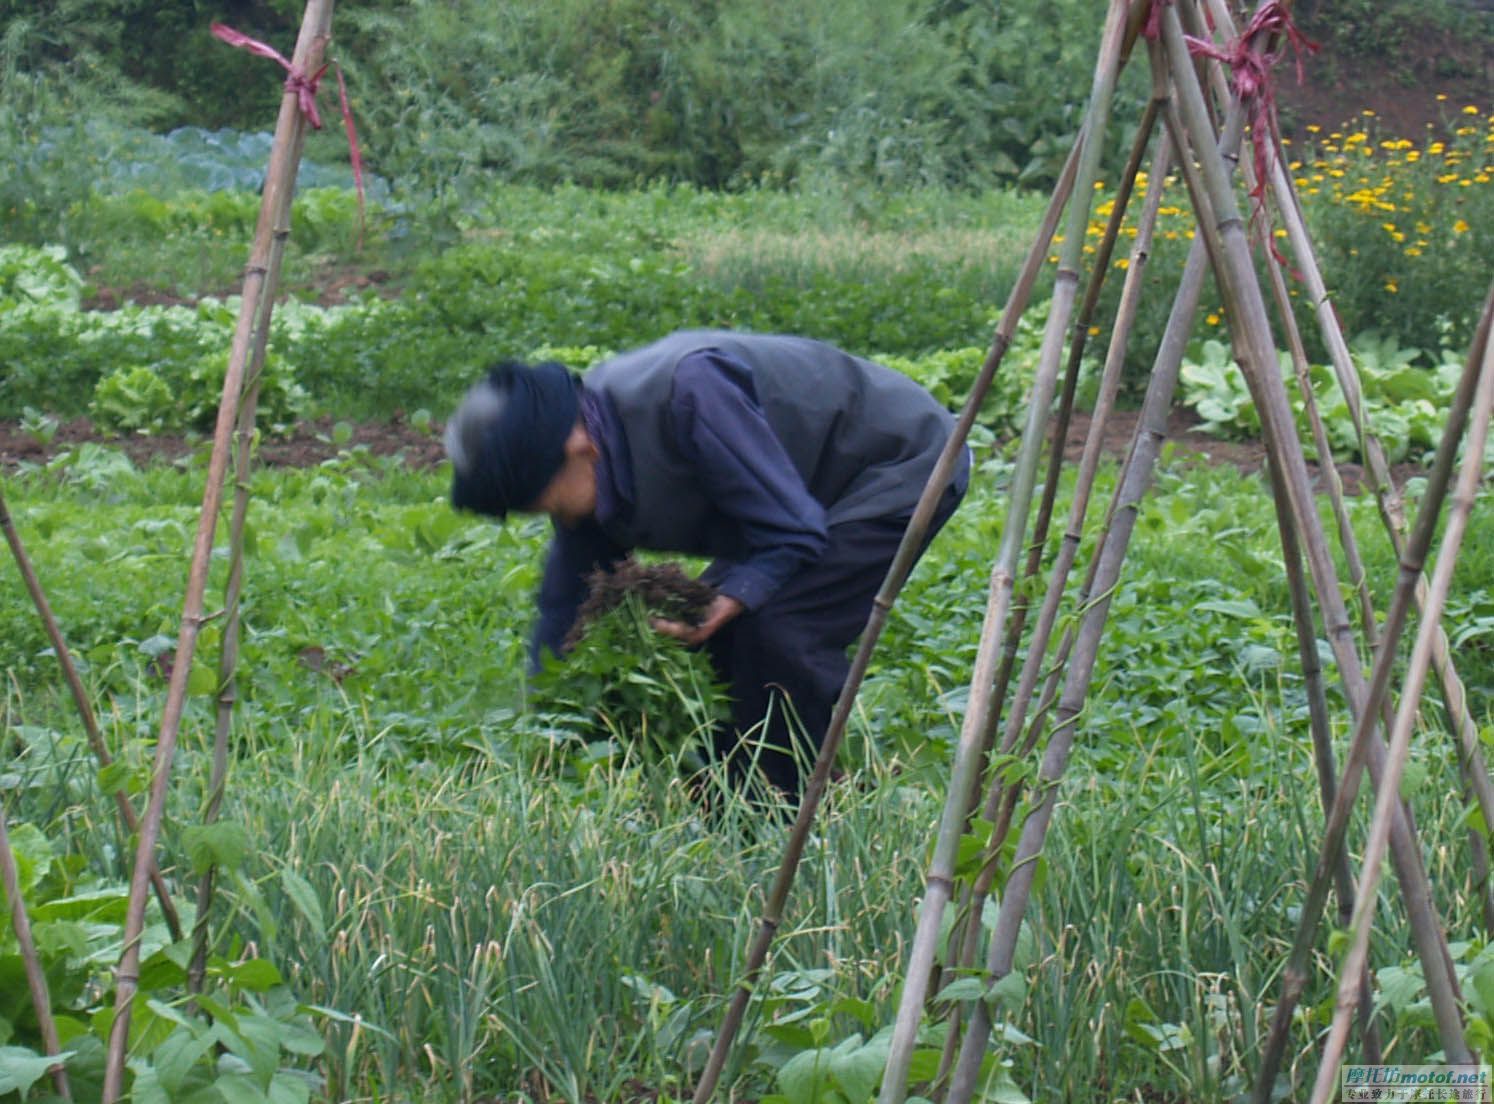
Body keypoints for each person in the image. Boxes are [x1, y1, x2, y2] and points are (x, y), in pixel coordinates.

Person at [445, 329, 968, 796]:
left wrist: (735, 594)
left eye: (540, 500)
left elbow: (790, 531)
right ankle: (744, 794)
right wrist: (551, 720)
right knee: (710, 634)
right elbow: (569, 599)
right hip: (797, 493)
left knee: (779, 630)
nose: (544, 513)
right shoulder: (586, 455)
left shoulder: (689, 391)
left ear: (576, 444)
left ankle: (785, 811)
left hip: (899, 465)